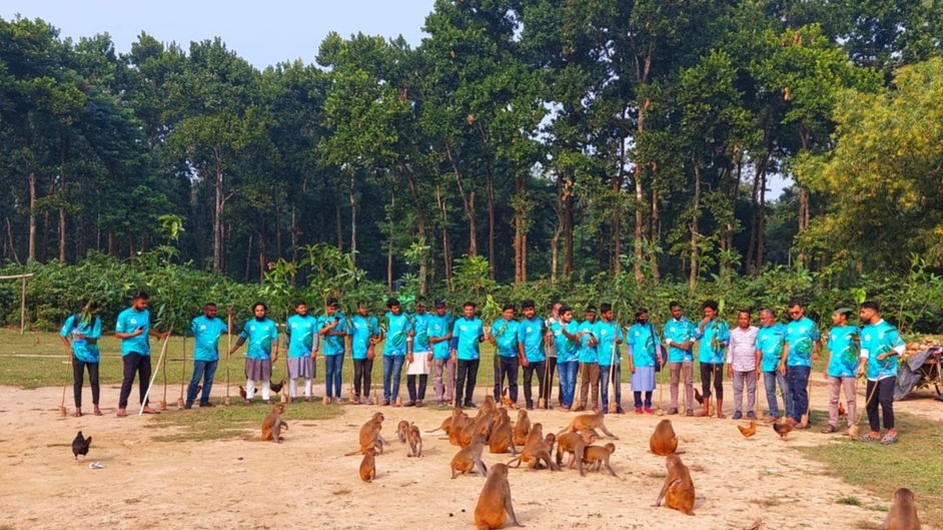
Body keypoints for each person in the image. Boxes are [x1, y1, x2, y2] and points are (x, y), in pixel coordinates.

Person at [115, 291, 169, 416]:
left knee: (145, 379)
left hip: (145, 351)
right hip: (131, 350)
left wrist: (160, 335)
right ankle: (122, 407)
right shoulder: (124, 315)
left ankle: (145, 405)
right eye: (142, 303)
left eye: (146, 303)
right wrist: (134, 334)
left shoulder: (146, 313)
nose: (145, 305)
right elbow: (118, 334)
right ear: (135, 301)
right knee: (129, 378)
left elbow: (147, 329)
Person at [857, 301, 905, 444]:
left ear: (871, 312)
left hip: (888, 371)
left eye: (863, 312)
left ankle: (891, 431)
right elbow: (864, 350)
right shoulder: (865, 331)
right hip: (872, 372)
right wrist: (862, 365)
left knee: (885, 400)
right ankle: (875, 432)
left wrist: (887, 354)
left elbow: (901, 347)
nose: (861, 315)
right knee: (870, 402)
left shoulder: (889, 329)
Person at [778, 299, 820, 427]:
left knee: (800, 389)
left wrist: (815, 352)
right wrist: (782, 362)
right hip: (791, 363)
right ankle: (796, 416)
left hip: (804, 362)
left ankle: (804, 417)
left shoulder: (810, 325)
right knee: (792, 389)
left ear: (802, 310)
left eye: (796, 312)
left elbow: (816, 341)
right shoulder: (789, 327)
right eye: (791, 313)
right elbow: (787, 345)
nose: (794, 315)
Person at [228, 302, 279, 404]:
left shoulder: (271, 324)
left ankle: (266, 398)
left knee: (266, 378)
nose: (260, 312)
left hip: (265, 356)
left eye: (261, 310)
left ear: (265, 311)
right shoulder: (249, 324)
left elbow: (275, 339)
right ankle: (249, 397)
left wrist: (275, 353)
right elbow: (242, 338)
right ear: (254, 312)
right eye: (257, 310)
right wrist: (232, 350)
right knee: (251, 377)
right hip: (252, 355)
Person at [59, 300, 103, 417]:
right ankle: (78, 409)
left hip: (92, 355)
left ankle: (96, 407)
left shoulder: (96, 321)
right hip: (77, 355)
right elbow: (63, 334)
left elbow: (95, 339)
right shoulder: (73, 319)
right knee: (78, 381)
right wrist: (69, 348)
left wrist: (85, 337)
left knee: (94, 380)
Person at [185, 303, 230, 409]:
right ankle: (189, 401)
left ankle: (204, 401)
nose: (213, 312)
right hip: (200, 356)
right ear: (204, 310)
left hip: (213, 356)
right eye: (211, 310)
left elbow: (228, 330)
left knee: (209, 379)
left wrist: (230, 317)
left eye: (215, 310)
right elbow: (188, 331)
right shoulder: (197, 321)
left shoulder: (218, 322)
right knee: (196, 379)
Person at [822, 307, 859, 434]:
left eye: (835, 315)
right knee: (833, 398)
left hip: (849, 369)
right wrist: (827, 367)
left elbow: (861, 347)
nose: (833, 318)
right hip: (834, 369)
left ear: (843, 317)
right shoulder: (833, 331)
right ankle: (832, 423)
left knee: (850, 398)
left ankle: (851, 424)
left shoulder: (855, 331)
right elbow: (831, 350)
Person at [695, 300, 729, 418]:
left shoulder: (723, 323)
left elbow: (727, 340)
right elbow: (696, 336)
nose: (707, 314)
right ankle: (705, 409)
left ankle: (719, 410)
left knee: (718, 384)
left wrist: (720, 344)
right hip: (704, 357)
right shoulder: (703, 323)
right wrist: (703, 324)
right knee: (705, 384)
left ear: (715, 311)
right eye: (705, 312)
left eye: (709, 311)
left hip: (717, 358)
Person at [626, 308, 663, 414]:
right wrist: (630, 363)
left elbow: (656, 343)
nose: (643, 318)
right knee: (637, 385)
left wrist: (659, 355)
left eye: (645, 316)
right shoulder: (633, 330)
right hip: (637, 361)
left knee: (649, 384)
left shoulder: (651, 328)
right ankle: (638, 405)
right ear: (637, 317)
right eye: (641, 316)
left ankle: (647, 405)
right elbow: (630, 347)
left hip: (649, 360)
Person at [663, 301, 697, 416]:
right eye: (674, 311)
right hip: (674, 356)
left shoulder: (688, 323)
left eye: (678, 310)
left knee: (688, 381)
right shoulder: (668, 325)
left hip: (687, 356)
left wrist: (689, 344)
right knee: (674, 381)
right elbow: (668, 340)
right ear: (671, 312)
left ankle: (689, 407)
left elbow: (693, 337)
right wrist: (679, 345)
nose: (677, 312)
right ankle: (673, 406)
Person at [756, 308, 790, 422]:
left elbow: (787, 345)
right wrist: (757, 365)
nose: (761, 320)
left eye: (764, 318)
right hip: (767, 366)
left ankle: (789, 414)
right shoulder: (761, 332)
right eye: (760, 318)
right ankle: (773, 414)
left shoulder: (782, 329)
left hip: (780, 365)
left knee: (784, 389)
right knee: (770, 390)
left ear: (771, 318)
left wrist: (783, 362)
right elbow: (759, 350)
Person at [451, 301, 487, 409]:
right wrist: (453, 353)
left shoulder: (478, 323)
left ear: (474, 310)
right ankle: (458, 401)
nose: (469, 312)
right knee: (461, 378)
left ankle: (468, 400)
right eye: (467, 310)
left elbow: (480, 338)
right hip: (462, 355)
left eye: (471, 310)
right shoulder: (458, 323)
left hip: (475, 355)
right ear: (463, 311)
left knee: (472, 379)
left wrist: (484, 337)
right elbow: (455, 339)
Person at [726, 310, 759, 420]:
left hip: (751, 365)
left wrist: (758, 366)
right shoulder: (733, 332)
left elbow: (759, 348)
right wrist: (729, 366)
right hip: (737, 365)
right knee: (737, 389)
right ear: (738, 319)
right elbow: (731, 349)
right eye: (741, 318)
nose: (743, 320)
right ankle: (738, 410)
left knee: (751, 389)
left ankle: (750, 410)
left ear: (749, 319)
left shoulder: (756, 331)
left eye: (745, 318)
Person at [550, 305, 582, 411]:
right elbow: (551, 343)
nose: (570, 316)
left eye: (571, 314)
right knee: (563, 382)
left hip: (573, 357)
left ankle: (567, 403)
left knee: (571, 380)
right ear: (561, 315)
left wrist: (565, 333)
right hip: (560, 358)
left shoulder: (574, 324)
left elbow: (574, 338)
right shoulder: (554, 326)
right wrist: (547, 337)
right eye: (568, 314)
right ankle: (566, 401)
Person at [286, 300, 318, 402]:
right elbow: (287, 335)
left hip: (308, 352)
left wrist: (314, 350)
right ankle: (293, 395)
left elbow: (315, 336)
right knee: (293, 375)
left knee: (308, 375)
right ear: (296, 309)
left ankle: (308, 395)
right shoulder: (291, 320)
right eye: (300, 308)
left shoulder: (313, 320)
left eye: (304, 307)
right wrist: (285, 347)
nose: (303, 309)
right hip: (294, 352)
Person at [594, 303, 624, 414]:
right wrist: (594, 341)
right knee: (604, 384)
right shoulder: (598, 326)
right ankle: (605, 405)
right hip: (604, 360)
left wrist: (618, 340)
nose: (612, 314)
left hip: (615, 359)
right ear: (603, 314)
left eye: (612, 312)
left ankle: (617, 405)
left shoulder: (616, 325)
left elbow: (621, 339)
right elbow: (596, 339)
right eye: (609, 313)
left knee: (617, 385)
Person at [517, 299, 546, 411]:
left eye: (531, 309)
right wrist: (523, 357)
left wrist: (547, 337)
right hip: (528, 357)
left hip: (540, 357)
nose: (529, 312)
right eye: (526, 310)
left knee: (543, 380)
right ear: (524, 312)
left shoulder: (541, 322)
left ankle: (542, 400)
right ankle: (529, 402)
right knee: (527, 380)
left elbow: (544, 336)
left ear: (534, 309)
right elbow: (520, 342)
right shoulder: (523, 325)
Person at [350, 301, 381, 405]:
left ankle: (366, 396)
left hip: (368, 350)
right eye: (362, 308)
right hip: (357, 350)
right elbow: (350, 335)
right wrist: (349, 347)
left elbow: (376, 335)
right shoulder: (353, 320)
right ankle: (357, 395)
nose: (364, 310)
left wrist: (372, 348)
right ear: (358, 309)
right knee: (358, 373)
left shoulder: (373, 320)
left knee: (367, 373)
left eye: (366, 308)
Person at [318, 297, 348, 404]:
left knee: (338, 372)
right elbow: (320, 332)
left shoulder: (341, 318)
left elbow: (345, 332)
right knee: (329, 372)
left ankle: (338, 395)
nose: (333, 309)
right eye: (331, 307)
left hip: (339, 348)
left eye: (335, 307)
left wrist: (335, 333)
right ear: (326, 307)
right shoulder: (322, 318)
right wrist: (330, 326)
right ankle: (329, 395)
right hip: (328, 349)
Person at [491, 303, 521, 406]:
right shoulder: (497, 324)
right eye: (507, 312)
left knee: (513, 380)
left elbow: (519, 342)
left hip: (513, 356)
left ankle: (513, 401)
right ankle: (498, 400)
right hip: (500, 355)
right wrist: (489, 337)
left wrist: (520, 356)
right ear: (503, 313)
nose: (509, 314)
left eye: (511, 313)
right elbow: (493, 341)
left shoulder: (517, 325)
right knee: (498, 379)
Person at [382, 298, 411, 405]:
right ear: (390, 309)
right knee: (386, 374)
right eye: (394, 308)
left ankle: (394, 398)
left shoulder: (405, 317)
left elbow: (409, 332)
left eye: (398, 307)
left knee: (396, 375)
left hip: (400, 351)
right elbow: (384, 331)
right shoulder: (387, 317)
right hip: (388, 351)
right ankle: (386, 397)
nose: (397, 309)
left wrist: (409, 351)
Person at [405, 299, 433, 407]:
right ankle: (412, 398)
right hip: (414, 350)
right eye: (418, 306)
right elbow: (409, 336)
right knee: (410, 375)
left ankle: (419, 398)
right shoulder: (411, 318)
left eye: (422, 306)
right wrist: (409, 352)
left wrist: (431, 351)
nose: (420, 308)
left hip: (425, 350)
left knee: (423, 375)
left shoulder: (430, 318)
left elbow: (431, 336)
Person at [428, 299, 454, 407]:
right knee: (438, 376)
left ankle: (450, 397)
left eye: (442, 307)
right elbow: (432, 339)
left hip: (450, 351)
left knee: (451, 375)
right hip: (438, 352)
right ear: (435, 309)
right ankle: (439, 398)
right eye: (438, 308)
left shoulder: (450, 318)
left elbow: (454, 333)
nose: (440, 310)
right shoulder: (433, 321)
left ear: (445, 308)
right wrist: (445, 337)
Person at [575, 306, 600, 412]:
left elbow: (599, 341)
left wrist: (594, 343)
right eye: (587, 315)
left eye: (591, 315)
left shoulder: (598, 326)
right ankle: (582, 403)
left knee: (594, 383)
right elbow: (577, 342)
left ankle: (594, 405)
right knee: (584, 382)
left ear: (595, 315)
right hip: (583, 357)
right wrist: (577, 338)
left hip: (595, 358)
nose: (589, 317)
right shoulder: (582, 326)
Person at [543, 300, 562, 408]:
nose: (558, 313)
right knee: (548, 377)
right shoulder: (547, 323)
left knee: (562, 378)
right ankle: (546, 399)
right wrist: (547, 336)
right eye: (556, 310)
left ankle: (562, 399)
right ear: (552, 311)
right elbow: (545, 340)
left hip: (562, 354)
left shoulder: (564, 322)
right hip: (550, 354)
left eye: (560, 310)